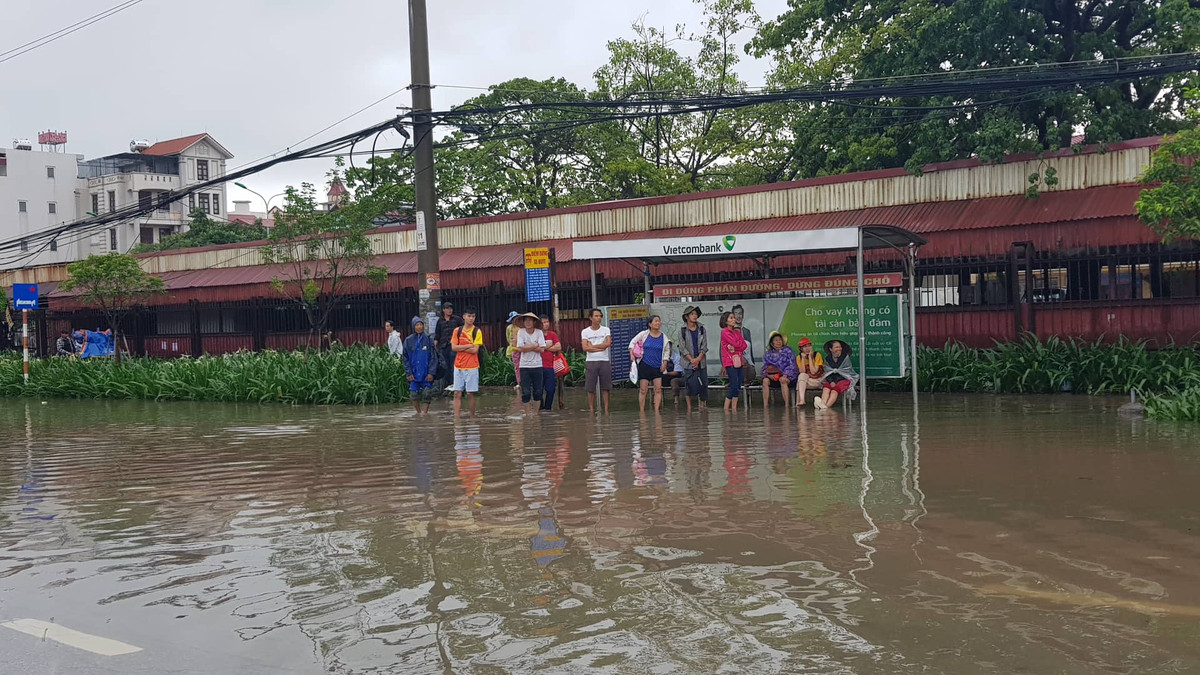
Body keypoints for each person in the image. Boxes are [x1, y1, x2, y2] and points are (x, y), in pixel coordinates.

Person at [629, 315, 671, 412]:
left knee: (658, 389)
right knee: (643, 390)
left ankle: (656, 411)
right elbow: (632, 343)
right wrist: (631, 354)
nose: (658, 323)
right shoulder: (644, 334)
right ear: (650, 324)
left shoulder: (663, 337)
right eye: (656, 321)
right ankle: (642, 411)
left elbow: (667, 351)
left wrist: (665, 362)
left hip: (658, 366)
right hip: (645, 365)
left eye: (659, 321)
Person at [451, 306, 483, 418]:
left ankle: (472, 417)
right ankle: (456, 418)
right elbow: (453, 347)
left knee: (470, 393)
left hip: (472, 366)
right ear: (464, 317)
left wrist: (461, 347)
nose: (471, 318)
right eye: (469, 316)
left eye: (473, 316)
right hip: (458, 365)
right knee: (457, 393)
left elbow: (475, 350)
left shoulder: (477, 331)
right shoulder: (457, 331)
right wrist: (469, 345)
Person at [403, 316, 438, 415]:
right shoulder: (408, 340)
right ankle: (418, 413)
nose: (419, 327)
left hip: (426, 372)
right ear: (413, 327)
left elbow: (434, 357)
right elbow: (405, 358)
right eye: (417, 325)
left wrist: (431, 372)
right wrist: (408, 373)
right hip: (414, 373)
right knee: (413, 395)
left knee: (427, 394)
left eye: (421, 325)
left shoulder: (428, 339)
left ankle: (425, 413)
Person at [581, 308, 612, 414]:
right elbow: (585, 347)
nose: (599, 318)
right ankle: (591, 409)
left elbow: (608, 343)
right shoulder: (585, 331)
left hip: (604, 360)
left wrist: (592, 346)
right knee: (590, 387)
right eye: (596, 316)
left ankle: (606, 409)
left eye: (600, 316)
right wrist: (600, 347)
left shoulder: (606, 330)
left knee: (606, 387)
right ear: (591, 318)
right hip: (591, 361)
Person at [677, 305, 709, 411]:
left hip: (701, 361)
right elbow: (682, 348)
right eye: (692, 314)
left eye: (695, 314)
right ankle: (689, 409)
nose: (694, 316)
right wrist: (692, 360)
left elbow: (704, 347)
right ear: (686, 317)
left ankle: (703, 406)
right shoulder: (682, 330)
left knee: (703, 384)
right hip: (688, 362)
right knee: (689, 384)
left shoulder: (702, 329)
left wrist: (698, 359)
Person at [515, 312, 546, 414]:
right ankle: (528, 415)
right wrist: (535, 345)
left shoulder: (539, 332)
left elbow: (542, 349)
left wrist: (527, 347)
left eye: (530, 320)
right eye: (526, 320)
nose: (528, 322)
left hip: (537, 365)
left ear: (534, 322)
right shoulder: (521, 332)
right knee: (526, 393)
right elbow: (520, 348)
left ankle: (536, 414)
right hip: (524, 366)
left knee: (538, 392)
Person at [816, 339, 858, 410]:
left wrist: (835, 382)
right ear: (831, 349)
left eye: (840, 347)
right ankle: (823, 404)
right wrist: (831, 382)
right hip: (832, 379)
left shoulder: (845, 357)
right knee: (826, 388)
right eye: (836, 347)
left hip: (844, 379)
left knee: (834, 390)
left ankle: (825, 408)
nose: (839, 349)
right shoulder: (828, 358)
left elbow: (846, 372)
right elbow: (827, 372)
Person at [720, 311, 749, 412]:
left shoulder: (737, 332)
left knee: (739, 385)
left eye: (734, 317)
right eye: (731, 318)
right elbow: (737, 343)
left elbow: (744, 345)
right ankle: (726, 408)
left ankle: (734, 408)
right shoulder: (724, 332)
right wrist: (737, 345)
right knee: (734, 385)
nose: (734, 319)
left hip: (739, 361)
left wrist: (736, 347)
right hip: (730, 362)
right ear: (726, 321)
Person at [762, 331, 799, 408]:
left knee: (783, 380)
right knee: (765, 381)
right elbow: (765, 367)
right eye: (776, 340)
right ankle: (765, 406)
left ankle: (787, 406)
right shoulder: (768, 354)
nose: (778, 342)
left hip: (788, 377)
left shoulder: (789, 351)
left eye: (780, 340)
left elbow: (792, 365)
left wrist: (785, 375)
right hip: (773, 377)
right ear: (772, 343)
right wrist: (769, 375)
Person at [434, 301, 464, 387]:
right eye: (447, 308)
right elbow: (437, 334)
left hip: (454, 346)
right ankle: (446, 385)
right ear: (443, 310)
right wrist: (435, 345)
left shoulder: (457, 319)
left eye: (451, 308)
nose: (450, 310)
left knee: (454, 365)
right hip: (443, 346)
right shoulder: (440, 321)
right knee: (445, 366)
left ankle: (455, 384)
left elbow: (463, 330)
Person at [539, 313, 562, 411]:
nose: (546, 324)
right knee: (538, 391)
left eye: (547, 322)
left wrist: (544, 348)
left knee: (551, 389)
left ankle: (548, 408)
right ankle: (540, 408)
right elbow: (536, 348)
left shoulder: (552, 334)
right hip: (537, 366)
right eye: (544, 322)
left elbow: (558, 346)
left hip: (549, 366)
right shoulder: (536, 335)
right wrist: (549, 346)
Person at [794, 337, 825, 407]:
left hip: (818, 381)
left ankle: (798, 403)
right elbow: (802, 372)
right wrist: (803, 359)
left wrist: (810, 358)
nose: (807, 348)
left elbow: (813, 372)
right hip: (807, 381)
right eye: (805, 347)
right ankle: (802, 400)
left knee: (799, 384)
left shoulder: (817, 355)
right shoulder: (799, 357)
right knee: (801, 376)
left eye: (809, 346)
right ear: (801, 349)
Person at [505, 310, 521, 390]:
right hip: (514, 349)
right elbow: (508, 338)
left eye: (516, 317)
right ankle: (519, 382)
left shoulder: (521, 327)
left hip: (523, 349)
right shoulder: (509, 328)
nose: (515, 319)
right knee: (517, 367)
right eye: (514, 318)